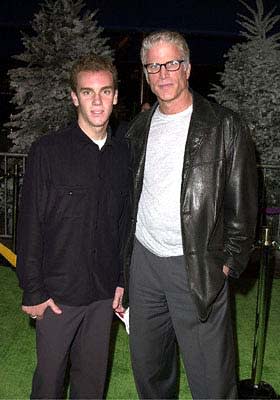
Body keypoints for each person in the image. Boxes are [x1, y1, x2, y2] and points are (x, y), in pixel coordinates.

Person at [122, 30, 258, 399]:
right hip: (145, 264)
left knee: (212, 381)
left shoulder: (224, 126)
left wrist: (227, 264)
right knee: (150, 372)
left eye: (171, 63)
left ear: (188, 68)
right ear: (146, 74)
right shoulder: (137, 129)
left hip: (197, 265)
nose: (163, 73)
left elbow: (244, 207)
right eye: (154, 66)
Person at [16, 53, 130, 399]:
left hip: (102, 295)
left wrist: (123, 281)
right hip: (57, 295)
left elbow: (125, 223)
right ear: (74, 97)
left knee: (91, 385)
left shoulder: (125, 153)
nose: (97, 100)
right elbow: (30, 222)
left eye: (104, 91)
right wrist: (33, 290)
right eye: (88, 91)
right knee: (49, 384)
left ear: (115, 96)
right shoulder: (47, 151)